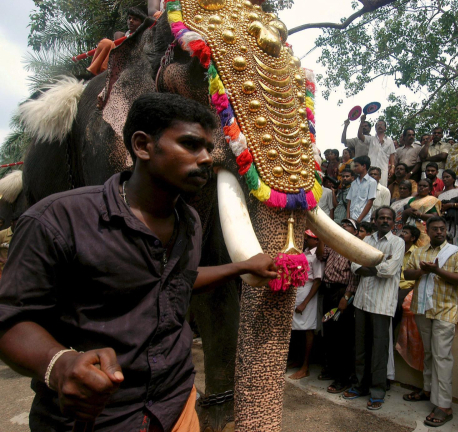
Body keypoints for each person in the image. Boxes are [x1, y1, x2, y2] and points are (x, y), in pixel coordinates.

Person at [0, 93, 277, 430]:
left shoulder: (189, 222)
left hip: (176, 405)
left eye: (209, 147)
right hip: (97, 418)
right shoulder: (56, 220)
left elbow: (176, 280)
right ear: (143, 146)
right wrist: (58, 363)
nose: (207, 158)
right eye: (191, 145)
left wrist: (242, 267)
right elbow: (10, 321)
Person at [403, 217, 458, 427]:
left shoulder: (456, 252)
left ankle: (444, 406)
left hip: (444, 310)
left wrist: (437, 271)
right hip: (423, 307)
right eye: (435, 229)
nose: (439, 232)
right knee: (429, 352)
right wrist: (423, 271)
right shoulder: (419, 252)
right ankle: (428, 390)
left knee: (442, 356)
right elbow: (407, 273)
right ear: (428, 230)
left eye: (442, 229)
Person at [344, 207, 405, 410]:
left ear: (394, 222)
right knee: (360, 347)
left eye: (389, 218)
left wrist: (369, 267)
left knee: (379, 350)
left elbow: (389, 271)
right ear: (375, 220)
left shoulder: (398, 243)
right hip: (362, 301)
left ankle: (377, 391)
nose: (385, 221)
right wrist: (377, 265)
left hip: (382, 304)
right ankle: (359, 385)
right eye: (381, 218)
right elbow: (354, 266)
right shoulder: (367, 241)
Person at [316, 220, 360, 393]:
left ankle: (343, 378)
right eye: (342, 224)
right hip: (328, 292)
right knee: (330, 334)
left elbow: (355, 276)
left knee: (343, 337)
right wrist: (321, 238)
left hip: (342, 295)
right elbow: (321, 255)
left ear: (355, 231)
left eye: (347, 225)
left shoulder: (354, 247)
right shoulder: (333, 244)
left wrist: (346, 297)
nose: (343, 226)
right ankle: (333, 370)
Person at [289, 230, 324, 380]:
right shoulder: (305, 252)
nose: (306, 239)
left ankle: (305, 366)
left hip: (308, 294)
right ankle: (297, 360)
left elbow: (317, 280)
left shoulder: (317, 256)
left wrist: (304, 303)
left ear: (317, 241)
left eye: (310, 238)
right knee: (296, 330)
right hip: (299, 291)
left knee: (307, 329)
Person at [87, 8, 146, 76]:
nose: (131, 21)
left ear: (142, 24)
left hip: (131, 65)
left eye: (135, 19)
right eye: (129, 18)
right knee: (106, 43)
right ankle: (95, 74)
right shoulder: (121, 35)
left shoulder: (145, 36)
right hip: (115, 63)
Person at [393, 225, 421, 331]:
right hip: (393, 283)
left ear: (413, 238)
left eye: (405, 233)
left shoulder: (417, 253)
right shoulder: (396, 249)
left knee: (396, 301)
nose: (401, 234)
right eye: (402, 232)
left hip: (407, 286)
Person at [358, 116, 396, 187]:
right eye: (378, 125)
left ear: (385, 128)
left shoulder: (390, 141)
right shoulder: (371, 139)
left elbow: (392, 155)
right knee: (368, 187)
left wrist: (392, 167)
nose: (380, 126)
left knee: (382, 187)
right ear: (375, 128)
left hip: (383, 169)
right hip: (371, 168)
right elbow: (360, 136)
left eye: (381, 125)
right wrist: (362, 122)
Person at [402, 178, 442, 247]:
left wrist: (419, 214)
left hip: (424, 231)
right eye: (420, 185)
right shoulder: (411, 200)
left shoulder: (431, 200)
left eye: (424, 186)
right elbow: (404, 218)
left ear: (430, 189)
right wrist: (406, 212)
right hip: (410, 229)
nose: (421, 188)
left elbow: (435, 217)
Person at [346, 156, 377, 223]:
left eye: (357, 166)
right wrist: (348, 218)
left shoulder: (372, 182)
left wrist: (359, 219)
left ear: (364, 166)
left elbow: (370, 202)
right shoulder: (354, 183)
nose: (355, 168)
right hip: (351, 218)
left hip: (363, 220)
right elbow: (349, 201)